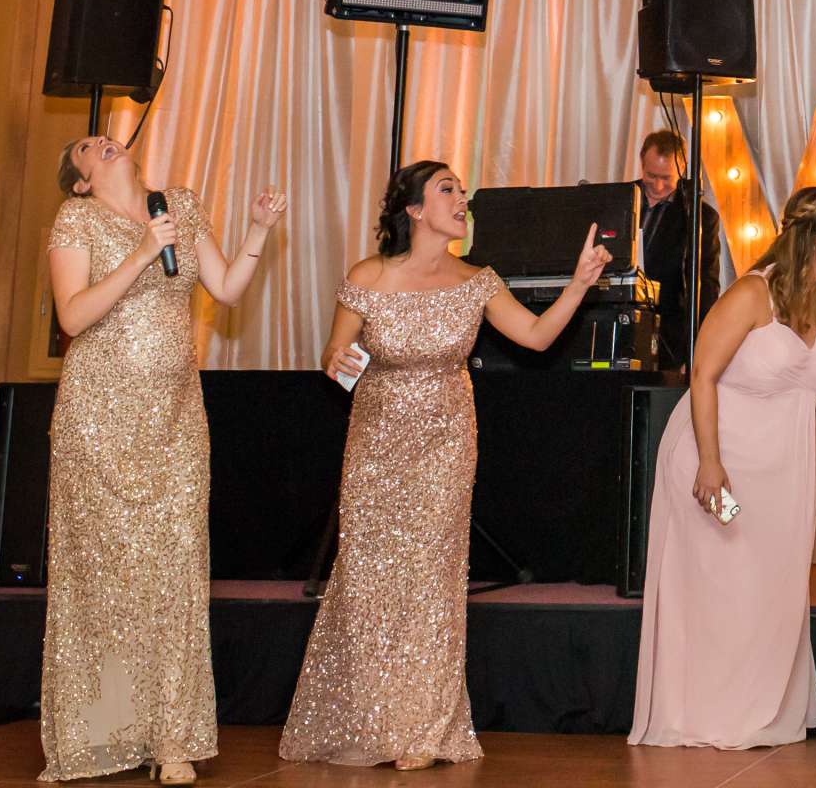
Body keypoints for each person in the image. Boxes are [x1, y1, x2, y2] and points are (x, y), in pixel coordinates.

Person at [281, 160, 611, 771]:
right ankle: (376, 721)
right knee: (373, 584)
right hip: (376, 446)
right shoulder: (369, 275)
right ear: (413, 210)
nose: (462, 198)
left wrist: (579, 282)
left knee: (433, 583)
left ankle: (423, 729)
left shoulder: (477, 280)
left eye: (462, 190)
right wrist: (339, 361)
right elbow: (336, 350)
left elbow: (537, 338)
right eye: (447, 189)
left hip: (446, 445)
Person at [39, 136, 284, 785]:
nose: (104, 140)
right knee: (108, 579)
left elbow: (227, 288)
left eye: (105, 136)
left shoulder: (177, 204)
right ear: (82, 181)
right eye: (87, 146)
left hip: (177, 420)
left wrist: (257, 230)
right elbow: (73, 314)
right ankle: (104, 733)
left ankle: (171, 738)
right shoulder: (77, 220)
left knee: (175, 573)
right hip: (99, 418)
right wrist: (144, 252)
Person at [631, 187, 816, 749]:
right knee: (719, 586)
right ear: (814, 236)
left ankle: (760, 709)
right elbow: (702, 375)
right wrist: (710, 462)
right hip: (719, 452)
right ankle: (705, 713)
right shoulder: (752, 293)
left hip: (784, 465)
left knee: (771, 587)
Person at [632, 129, 724, 368]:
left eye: (667, 178)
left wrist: (700, 347)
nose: (659, 186)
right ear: (641, 163)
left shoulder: (701, 217)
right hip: (619, 323)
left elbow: (707, 285)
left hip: (669, 339)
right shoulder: (618, 198)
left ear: (682, 170)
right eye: (651, 175)